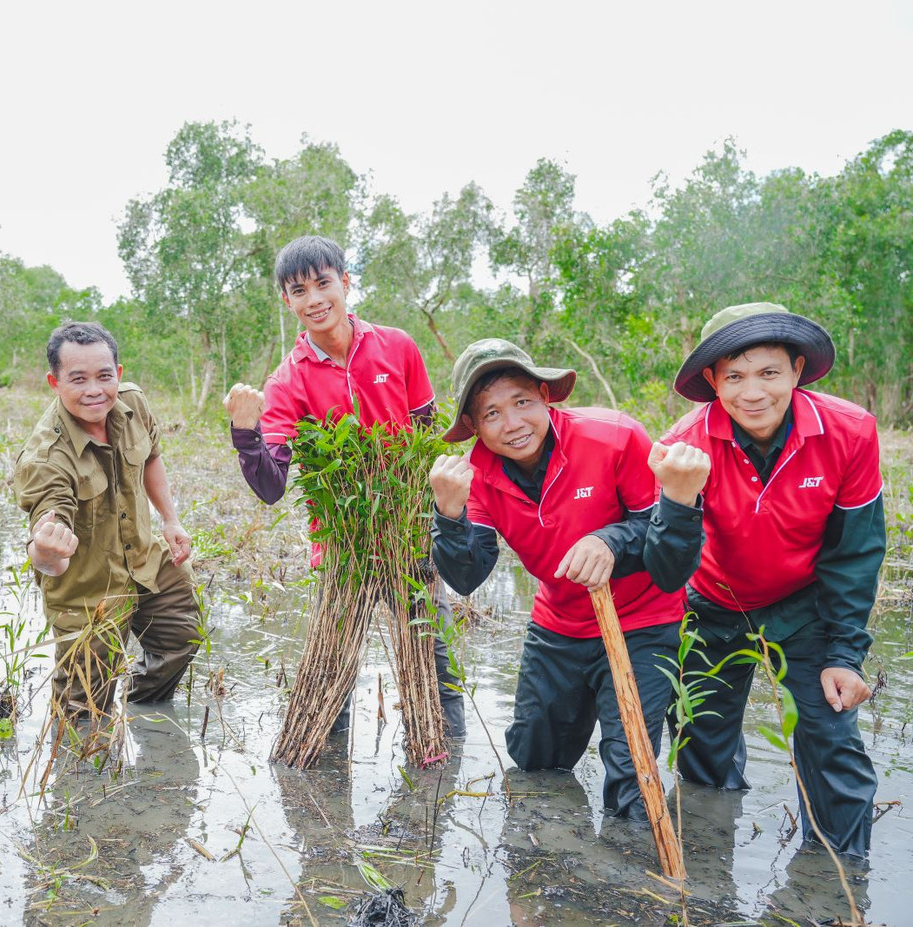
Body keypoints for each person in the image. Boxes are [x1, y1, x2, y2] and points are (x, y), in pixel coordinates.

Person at [428, 338, 711, 820]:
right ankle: (547, 868)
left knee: (631, 774)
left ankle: (631, 885)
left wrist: (609, 540)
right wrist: (449, 514)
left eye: (522, 403)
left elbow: (661, 540)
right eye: (492, 414)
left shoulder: (615, 436)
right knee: (535, 762)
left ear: (544, 394)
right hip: (559, 624)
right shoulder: (474, 472)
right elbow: (469, 574)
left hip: (642, 621)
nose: (513, 424)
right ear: (473, 426)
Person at [645, 302, 885, 859]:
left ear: (797, 370)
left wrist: (846, 655)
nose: (753, 393)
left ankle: (836, 882)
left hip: (805, 606)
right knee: (702, 741)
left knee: (831, 736)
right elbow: (666, 572)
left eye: (769, 373)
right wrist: (678, 500)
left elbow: (856, 552)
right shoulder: (686, 444)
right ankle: (707, 869)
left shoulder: (850, 432)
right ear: (712, 381)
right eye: (734, 376)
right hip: (711, 604)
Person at [222, 235, 464, 736]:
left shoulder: (397, 347)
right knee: (330, 676)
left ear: (346, 282)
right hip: (342, 548)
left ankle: (447, 763)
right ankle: (322, 794)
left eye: (323, 283)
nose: (314, 299)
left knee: (435, 666)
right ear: (285, 301)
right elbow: (271, 487)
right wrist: (246, 434)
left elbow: (426, 438)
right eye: (298, 290)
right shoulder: (286, 382)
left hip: (410, 539)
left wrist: (437, 522)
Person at [14, 321, 199, 718]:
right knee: (83, 708)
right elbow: (48, 532)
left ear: (119, 372)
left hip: (146, 559)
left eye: (103, 376)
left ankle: (142, 715)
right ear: (54, 382)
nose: (94, 390)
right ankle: (84, 770)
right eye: (77, 379)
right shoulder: (46, 457)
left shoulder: (133, 404)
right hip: (88, 588)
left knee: (182, 635)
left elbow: (151, 457)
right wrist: (46, 552)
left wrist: (170, 519)